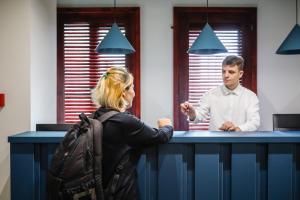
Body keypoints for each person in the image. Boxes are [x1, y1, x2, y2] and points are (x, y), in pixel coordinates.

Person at [92, 66, 173, 199]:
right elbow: (160, 136)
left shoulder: (95, 117)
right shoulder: (125, 122)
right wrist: (167, 125)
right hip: (120, 193)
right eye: (132, 88)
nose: (134, 93)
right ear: (123, 92)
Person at [180, 55, 260, 131]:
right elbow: (198, 117)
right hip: (215, 143)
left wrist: (237, 129)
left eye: (231, 72)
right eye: (223, 71)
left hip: (240, 142)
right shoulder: (210, 94)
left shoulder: (251, 97)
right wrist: (192, 113)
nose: (226, 75)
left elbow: (254, 122)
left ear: (240, 74)